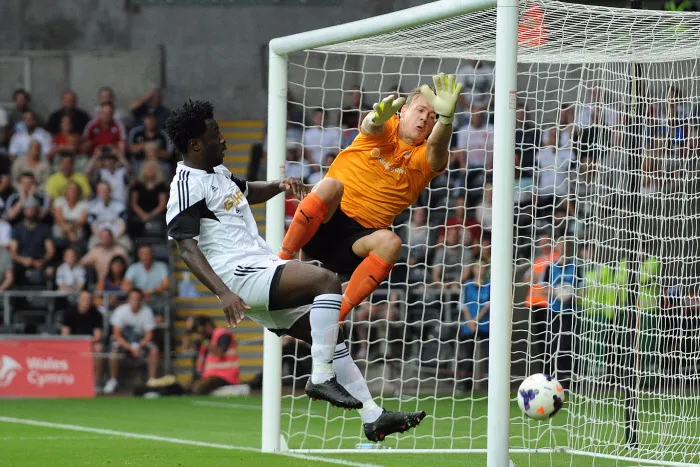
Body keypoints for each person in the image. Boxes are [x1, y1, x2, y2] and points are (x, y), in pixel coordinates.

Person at [163, 99, 424, 441]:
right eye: (216, 134)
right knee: (326, 281)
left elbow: (246, 191)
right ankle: (320, 377)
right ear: (195, 145)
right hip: (239, 275)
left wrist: (280, 186)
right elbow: (186, 247)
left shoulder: (218, 174)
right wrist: (223, 293)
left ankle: (372, 416)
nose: (223, 139)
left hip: (258, 268)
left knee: (330, 337)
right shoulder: (186, 185)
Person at [279, 74, 462, 320]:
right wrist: (375, 118)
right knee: (330, 186)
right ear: (403, 111)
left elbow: (437, 147)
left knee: (392, 243)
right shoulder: (387, 125)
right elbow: (370, 126)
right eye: (420, 110)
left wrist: (446, 120)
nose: (424, 118)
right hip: (323, 222)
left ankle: (338, 316)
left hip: (355, 243)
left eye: (432, 117)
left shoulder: (426, 157)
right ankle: (279, 263)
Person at [103, 289, 159, 395]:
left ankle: (152, 380)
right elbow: (117, 335)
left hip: (140, 341)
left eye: (137, 299)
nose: (135, 302)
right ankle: (112, 380)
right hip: (124, 341)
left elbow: (149, 335)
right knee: (114, 350)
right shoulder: (120, 311)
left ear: (141, 300)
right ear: (128, 300)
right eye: (132, 299)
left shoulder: (147, 312)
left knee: (154, 350)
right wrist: (130, 347)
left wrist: (139, 346)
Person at [61, 290, 104, 390]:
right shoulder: (69, 312)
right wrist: (76, 343)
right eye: (84, 299)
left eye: (88, 299)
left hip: (90, 343)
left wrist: (86, 343)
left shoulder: (96, 314)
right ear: (79, 299)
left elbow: (98, 336)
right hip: (72, 343)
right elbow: (65, 334)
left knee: (99, 348)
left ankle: (95, 383)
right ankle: (66, 380)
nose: (86, 301)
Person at [192, 316, 242, 395]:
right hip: (211, 375)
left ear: (208, 325)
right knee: (189, 386)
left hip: (226, 376)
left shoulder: (222, 335)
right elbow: (186, 347)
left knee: (199, 387)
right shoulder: (209, 339)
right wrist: (188, 331)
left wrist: (204, 341)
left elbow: (219, 353)